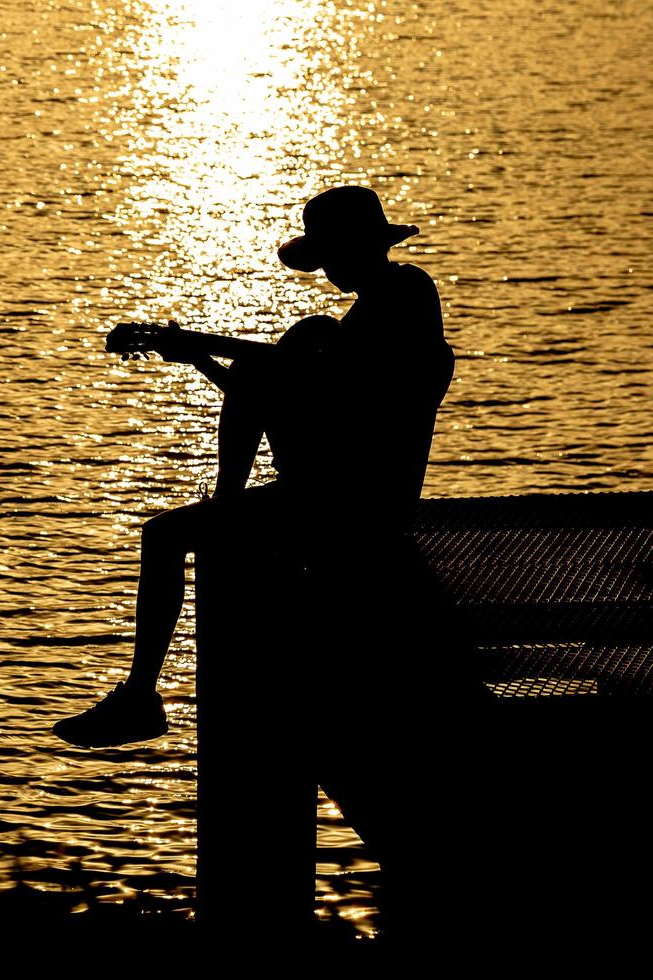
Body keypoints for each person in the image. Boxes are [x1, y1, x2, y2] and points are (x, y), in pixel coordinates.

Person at [54, 185, 455, 748]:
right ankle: (224, 511)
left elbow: (335, 387)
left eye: (331, 255)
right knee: (300, 343)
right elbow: (296, 392)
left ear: (359, 247)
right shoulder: (375, 311)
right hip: (344, 489)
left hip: (355, 502)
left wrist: (232, 354)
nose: (326, 270)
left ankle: (141, 692)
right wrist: (203, 356)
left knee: (163, 536)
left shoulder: (403, 294)